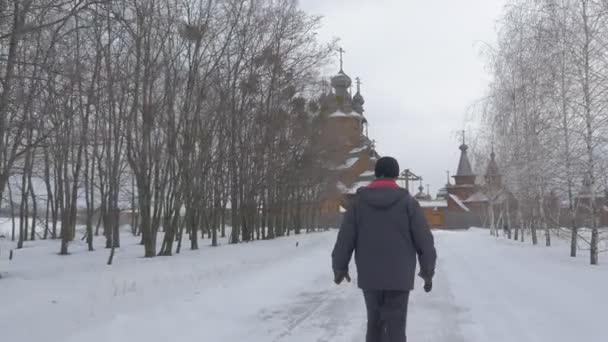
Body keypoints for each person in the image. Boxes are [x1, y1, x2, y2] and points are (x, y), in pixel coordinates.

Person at [332, 156, 437, 342]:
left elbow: (345, 238)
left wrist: (340, 267)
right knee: (396, 325)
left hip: (370, 275)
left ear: (376, 174)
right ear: (396, 176)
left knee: (374, 323)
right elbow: (424, 239)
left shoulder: (358, 203)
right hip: (399, 276)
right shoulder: (408, 203)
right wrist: (427, 270)